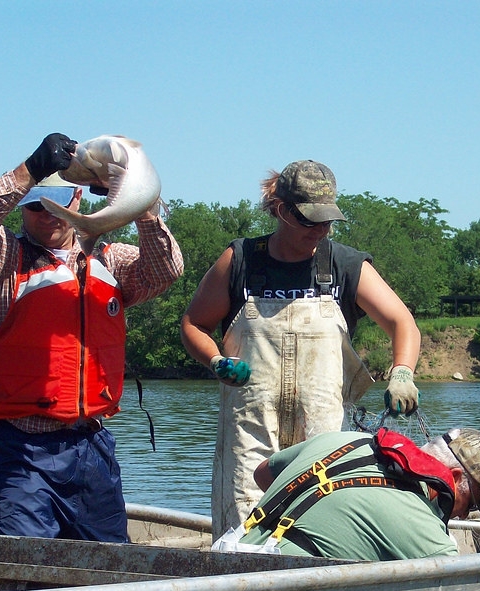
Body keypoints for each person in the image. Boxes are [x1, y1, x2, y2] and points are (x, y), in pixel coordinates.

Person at [0, 132, 184, 542]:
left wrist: (139, 203)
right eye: (37, 205)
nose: (48, 214)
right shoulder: (2, 261)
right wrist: (30, 170)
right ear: (22, 207)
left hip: (90, 447)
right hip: (19, 452)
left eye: (58, 202)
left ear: (77, 197)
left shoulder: (109, 259)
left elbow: (165, 270)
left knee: (110, 566)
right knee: (27, 565)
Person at [180, 160, 422, 540]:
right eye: (310, 221)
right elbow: (193, 324)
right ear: (282, 211)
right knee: (241, 534)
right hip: (250, 432)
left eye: (327, 221)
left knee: (317, 528)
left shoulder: (343, 265)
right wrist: (216, 361)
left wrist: (402, 372)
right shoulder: (242, 260)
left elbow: (401, 322)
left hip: (320, 434)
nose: (321, 230)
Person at [235, 426, 480, 560]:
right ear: (454, 477)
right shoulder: (428, 535)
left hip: (229, 557)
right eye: (472, 504)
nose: (463, 516)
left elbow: (263, 474)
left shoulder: (346, 438)